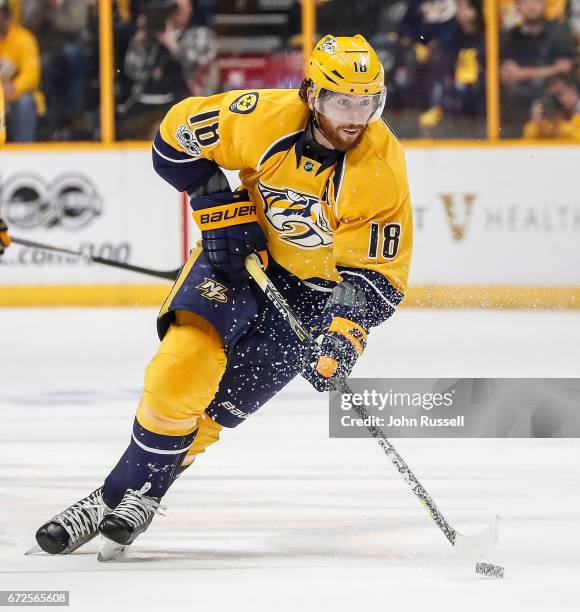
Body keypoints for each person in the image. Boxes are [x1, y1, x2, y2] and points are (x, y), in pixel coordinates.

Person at [2, 34, 413, 560]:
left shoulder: (380, 166)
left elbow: (377, 272)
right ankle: (122, 498)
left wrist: (344, 334)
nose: (356, 116)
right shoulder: (261, 118)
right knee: (179, 370)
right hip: (241, 262)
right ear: (311, 94)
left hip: (317, 300)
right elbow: (172, 139)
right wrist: (218, 204)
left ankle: (122, 497)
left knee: (215, 412)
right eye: (341, 101)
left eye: (367, 102)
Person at [500, 0, 576, 135]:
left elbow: (566, 67)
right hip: (520, 109)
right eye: (525, 2)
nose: (531, 6)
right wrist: (551, 69)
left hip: (559, 108)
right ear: (517, 5)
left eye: (536, 0)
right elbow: (506, 76)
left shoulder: (560, 31)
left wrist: (523, 74)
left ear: (545, 3)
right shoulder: (508, 38)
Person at [0, 0, 41, 142]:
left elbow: (31, 75)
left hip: (16, 95)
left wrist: (13, 87)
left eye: (1, 14)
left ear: (7, 16)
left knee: (25, 102)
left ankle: (23, 151)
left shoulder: (24, 38)